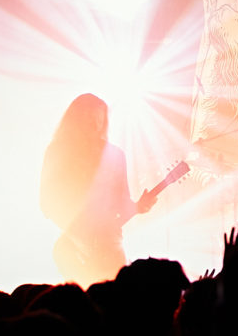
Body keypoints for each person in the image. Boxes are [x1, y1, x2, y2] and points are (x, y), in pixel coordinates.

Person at [40, 93, 157, 285]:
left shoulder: (115, 155)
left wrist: (139, 207)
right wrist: (77, 235)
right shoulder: (58, 152)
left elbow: (122, 205)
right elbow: (47, 202)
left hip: (109, 245)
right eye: (89, 118)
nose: (95, 125)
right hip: (74, 245)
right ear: (76, 120)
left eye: (99, 119)